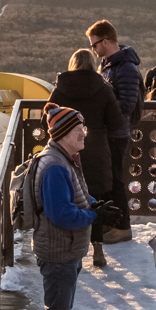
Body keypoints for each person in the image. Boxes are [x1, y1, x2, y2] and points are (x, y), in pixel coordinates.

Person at [26, 105, 105, 310]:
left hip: (65, 249)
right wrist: (93, 215)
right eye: (78, 129)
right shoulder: (55, 167)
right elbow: (62, 213)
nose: (84, 133)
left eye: (83, 127)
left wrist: (98, 205)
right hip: (58, 251)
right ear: (63, 133)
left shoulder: (64, 159)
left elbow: (78, 196)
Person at [50, 48, 126, 267]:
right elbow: (115, 123)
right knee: (95, 198)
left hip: (67, 151)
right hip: (96, 149)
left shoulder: (60, 89)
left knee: (70, 197)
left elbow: (49, 118)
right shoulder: (103, 88)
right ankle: (98, 248)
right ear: (93, 64)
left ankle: (72, 249)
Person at [87, 20, 140, 244]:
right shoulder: (109, 66)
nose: (93, 50)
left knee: (116, 180)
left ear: (106, 41)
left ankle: (123, 227)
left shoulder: (126, 68)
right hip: (108, 132)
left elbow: (127, 104)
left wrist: (102, 108)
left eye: (95, 45)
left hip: (117, 133)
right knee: (107, 179)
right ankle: (111, 223)